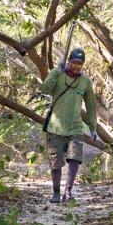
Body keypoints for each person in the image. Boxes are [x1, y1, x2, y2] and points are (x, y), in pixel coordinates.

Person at [39, 47, 98, 203]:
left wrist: (93, 128)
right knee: (56, 162)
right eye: (74, 62)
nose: (76, 66)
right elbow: (44, 89)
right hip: (55, 127)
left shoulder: (85, 81)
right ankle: (56, 193)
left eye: (80, 63)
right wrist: (55, 73)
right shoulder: (58, 74)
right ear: (69, 61)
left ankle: (68, 192)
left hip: (75, 127)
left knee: (74, 159)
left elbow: (91, 106)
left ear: (83, 64)